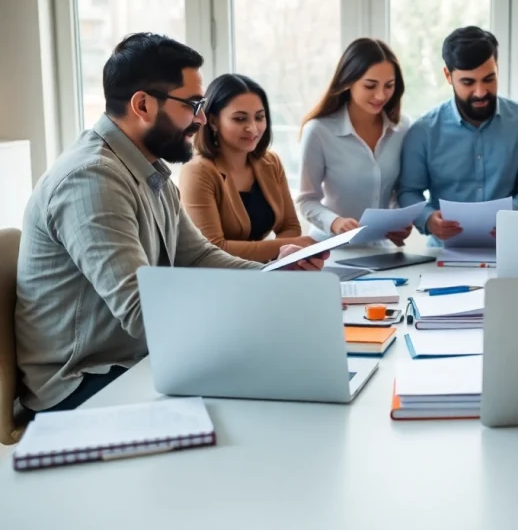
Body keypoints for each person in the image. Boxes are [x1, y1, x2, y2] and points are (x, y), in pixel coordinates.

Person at [13, 33, 324, 414]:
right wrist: (254, 310)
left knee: (278, 371)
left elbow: (196, 257)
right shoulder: (91, 179)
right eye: (193, 104)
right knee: (261, 393)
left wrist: (274, 275)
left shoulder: (149, 170)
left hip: (131, 360)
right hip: (83, 382)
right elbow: (142, 311)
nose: (202, 119)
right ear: (142, 104)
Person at [397, 26, 518, 244]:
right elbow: (408, 191)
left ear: (497, 68)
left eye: (489, 79)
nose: (481, 92)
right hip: (443, 255)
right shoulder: (423, 131)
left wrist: (509, 216)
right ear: (448, 76)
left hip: (510, 247)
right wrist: (428, 219)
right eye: (468, 82)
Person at [179, 74, 313, 262]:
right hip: (218, 278)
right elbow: (213, 248)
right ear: (213, 121)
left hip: (261, 272)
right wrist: (291, 246)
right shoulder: (197, 171)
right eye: (240, 119)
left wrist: (283, 255)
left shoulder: (270, 162)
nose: (253, 128)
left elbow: (289, 226)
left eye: (259, 117)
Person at [296, 38, 412, 245]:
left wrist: (398, 220)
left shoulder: (401, 128)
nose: (380, 95)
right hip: (329, 247)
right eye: (370, 85)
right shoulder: (318, 131)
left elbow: (396, 192)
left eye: (389, 86)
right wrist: (334, 222)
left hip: (380, 248)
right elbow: (306, 200)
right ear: (348, 81)